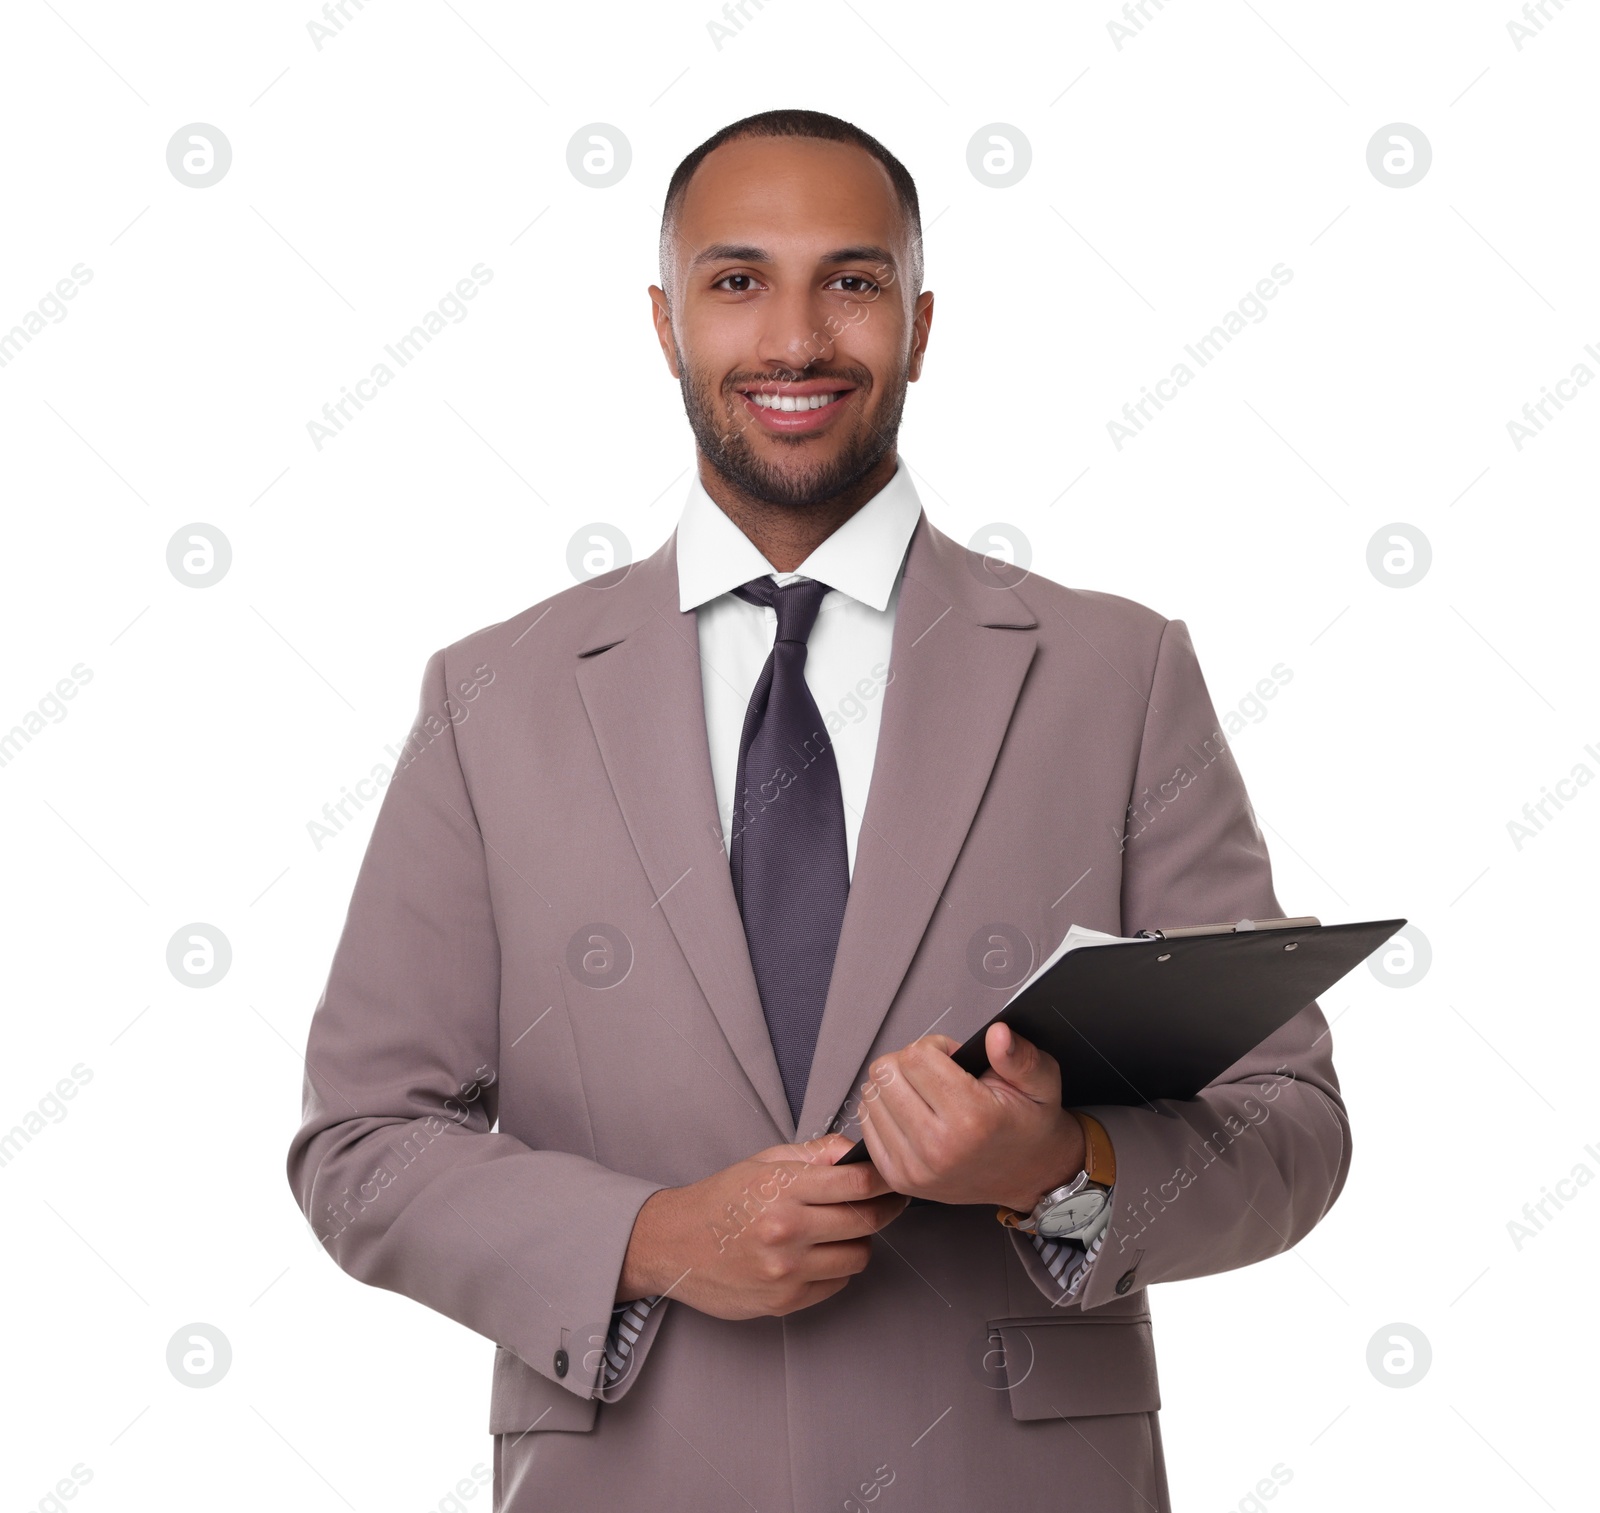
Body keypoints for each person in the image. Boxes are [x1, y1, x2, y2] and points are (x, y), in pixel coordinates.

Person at [287, 108, 1351, 1512]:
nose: (795, 338)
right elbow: (360, 1142)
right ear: (665, 322)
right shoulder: (495, 696)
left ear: (919, 323)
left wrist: (1059, 1167)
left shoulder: (1118, 671)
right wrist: (654, 1237)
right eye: (739, 282)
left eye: (849, 282)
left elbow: (1290, 1119)